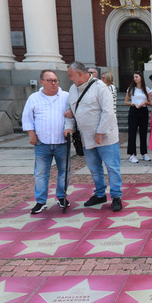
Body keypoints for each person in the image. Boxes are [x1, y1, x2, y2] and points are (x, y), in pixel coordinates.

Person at [62, 62, 124, 212]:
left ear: (80, 74)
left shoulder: (100, 87)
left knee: (112, 167)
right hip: (86, 137)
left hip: (105, 137)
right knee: (94, 168)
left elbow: (108, 112)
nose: (70, 79)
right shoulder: (73, 89)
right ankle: (100, 194)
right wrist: (68, 127)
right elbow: (69, 110)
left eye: (71, 75)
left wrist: (100, 133)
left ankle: (116, 197)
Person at [22, 70, 70, 214]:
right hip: (42, 143)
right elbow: (27, 118)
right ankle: (41, 201)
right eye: (50, 80)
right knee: (41, 173)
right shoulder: (34, 98)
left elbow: (71, 116)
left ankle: (62, 197)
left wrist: (69, 128)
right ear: (41, 81)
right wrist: (31, 134)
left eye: (55, 80)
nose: (54, 83)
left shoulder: (66, 96)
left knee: (64, 172)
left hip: (62, 142)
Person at [124, 71, 152, 163]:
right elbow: (126, 101)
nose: (135, 78)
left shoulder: (146, 89)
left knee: (143, 132)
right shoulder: (131, 88)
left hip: (143, 110)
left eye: (136, 77)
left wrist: (144, 103)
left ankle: (144, 153)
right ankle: (132, 154)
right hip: (134, 110)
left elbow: (149, 102)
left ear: (141, 77)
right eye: (134, 77)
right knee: (132, 132)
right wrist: (133, 103)